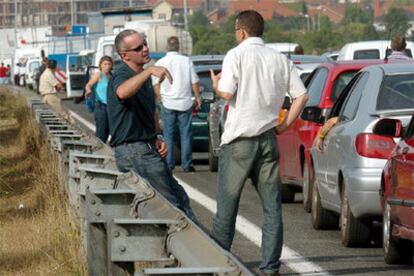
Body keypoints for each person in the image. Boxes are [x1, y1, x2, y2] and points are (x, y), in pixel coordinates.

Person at [209, 10, 308, 276]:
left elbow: (227, 93)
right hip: (267, 139)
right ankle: (270, 268)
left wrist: (216, 85)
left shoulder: (236, 55)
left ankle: (219, 266)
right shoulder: (279, 59)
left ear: (241, 31)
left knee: (226, 210)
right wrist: (284, 125)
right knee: (272, 208)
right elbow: (301, 95)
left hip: (239, 141)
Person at [106, 29, 195, 220]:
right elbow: (121, 92)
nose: (145, 49)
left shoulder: (142, 75)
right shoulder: (122, 73)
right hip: (133, 151)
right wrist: (148, 73)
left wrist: (157, 136)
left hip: (146, 147)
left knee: (178, 199)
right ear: (124, 55)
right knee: (172, 207)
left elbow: (151, 110)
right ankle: (201, 248)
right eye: (138, 48)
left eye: (145, 44)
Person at [152, 36, 201, 172]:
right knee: (186, 134)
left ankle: (169, 164)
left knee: (168, 134)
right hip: (185, 102)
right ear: (179, 47)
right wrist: (197, 97)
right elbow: (194, 82)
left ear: (167, 47)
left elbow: (155, 84)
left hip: (168, 102)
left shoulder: (160, 62)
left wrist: (160, 98)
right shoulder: (186, 61)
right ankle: (187, 164)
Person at [85, 56, 113, 143]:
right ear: (101, 65)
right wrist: (88, 90)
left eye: (109, 64)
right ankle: (98, 153)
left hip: (111, 107)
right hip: (101, 106)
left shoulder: (112, 76)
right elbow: (88, 85)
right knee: (101, 132)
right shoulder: (99, 74)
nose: (107, 66)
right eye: (105, 64)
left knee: (108, 131)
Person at [39, 59, 75, 124]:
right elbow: (58, 86)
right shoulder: (49, 74)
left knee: (60, 113)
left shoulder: (47, 72)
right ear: (55, 67)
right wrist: (62, 83)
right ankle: (73, 127)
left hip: (46, 96)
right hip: (50, 96)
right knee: (64, 114)